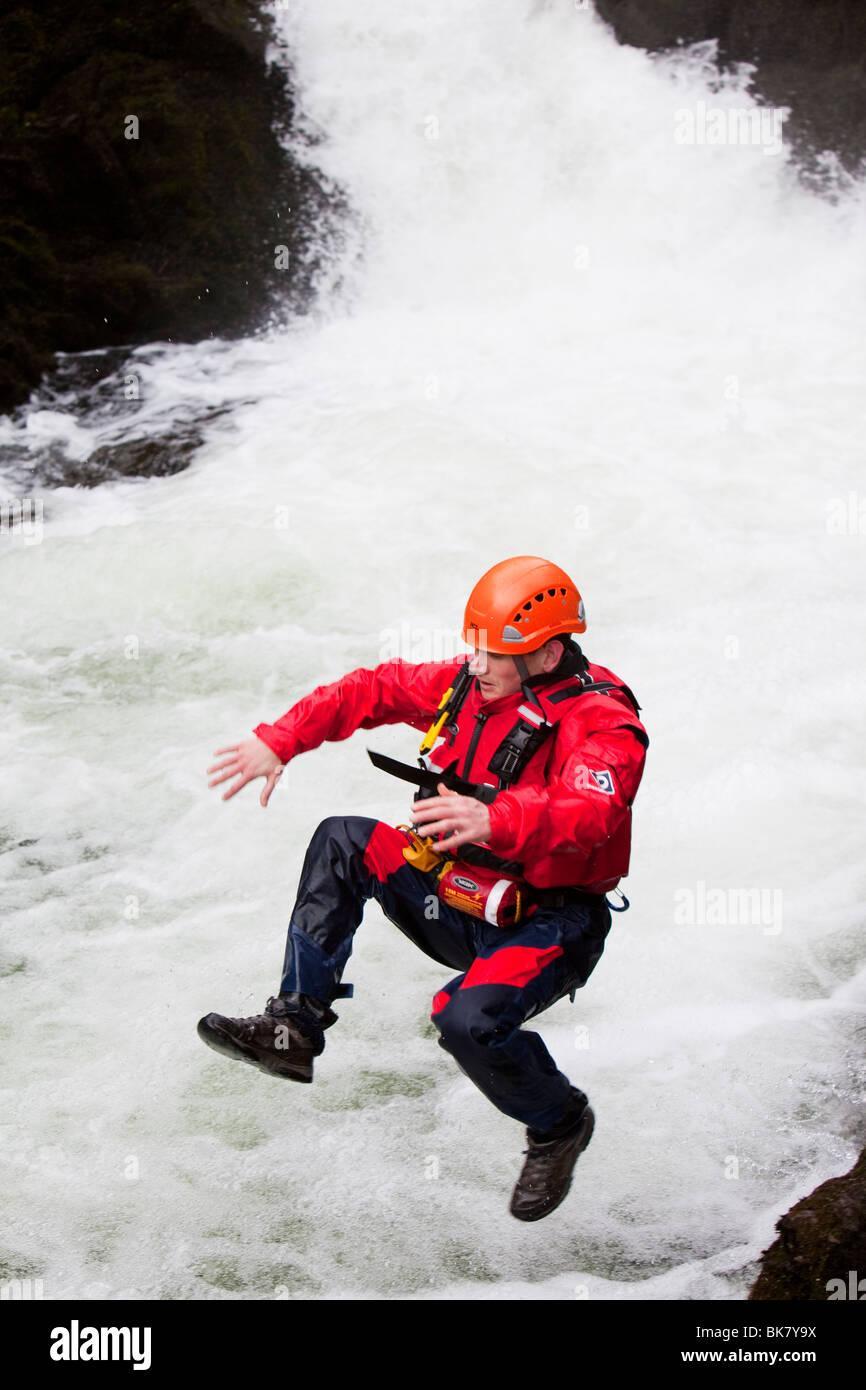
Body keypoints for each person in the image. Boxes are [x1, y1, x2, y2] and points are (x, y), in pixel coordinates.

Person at [199, 556, 648, 1221]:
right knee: (343, 840)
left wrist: (497, 818)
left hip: (551, 925)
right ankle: (293, 1028)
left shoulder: (603, 723)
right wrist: (282, 740)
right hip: (458, 896)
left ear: (548, 652)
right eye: (476, 647)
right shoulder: (470, 686)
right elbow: (369, 690)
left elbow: (592, 815)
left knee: (464, 1020)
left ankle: (558, 1123)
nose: (477, 664)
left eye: (498, 653)